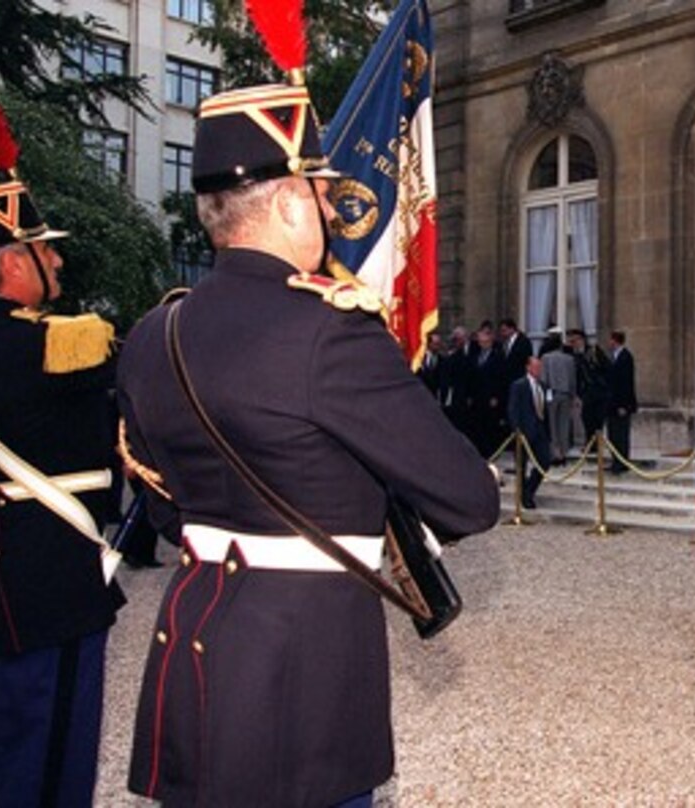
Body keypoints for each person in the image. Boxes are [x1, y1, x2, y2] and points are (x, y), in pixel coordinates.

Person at [116, 70, 500, 806]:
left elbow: (162, 503)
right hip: (306, 657)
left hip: (193, 637)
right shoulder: (329, 331)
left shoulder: (151, 333)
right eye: (321, 191)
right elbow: (469, 497)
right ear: (291, 200)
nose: (331, 206)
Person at [0, 106, 125, 807]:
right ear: (13, 262)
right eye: (46, 248)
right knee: (47, 759)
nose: (59, 259)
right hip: (47, 586)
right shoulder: (64, 346)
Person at [508, 355, 552, 509]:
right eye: (535, 367)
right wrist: (517, 430)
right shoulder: (519, 385)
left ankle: (529, 489)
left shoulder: (543, 386)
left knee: (545, 461)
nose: (538, 370)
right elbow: (513, 409)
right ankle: (524, 497)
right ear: (528, 367)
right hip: (525, 432)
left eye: (539, 367)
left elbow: (546, 410)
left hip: (540, 432)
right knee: (521, 465)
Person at [469, 320, 509, 458]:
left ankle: (491, 452)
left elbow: (501, 378)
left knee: (490, 426)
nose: (481, 343)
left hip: (491, 397)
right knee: (478, 425)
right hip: (478, 396)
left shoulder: (497, 356)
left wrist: (496, 396)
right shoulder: (476, 355)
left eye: (483, 340)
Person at [539, 329, 577, 464]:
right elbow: (573, 379)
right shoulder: (569, 359)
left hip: (552, 393)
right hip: (566, 394)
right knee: (564, 425)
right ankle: (564, 453)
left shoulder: (546, 358)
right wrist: (573, 395)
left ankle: (556, 453)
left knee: (553, 425)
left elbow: (543, 379)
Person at [567, 328, 609, 446]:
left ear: (581, 340)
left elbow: (605, 369)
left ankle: (596, 444)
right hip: (587, 392)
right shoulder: (576, 356)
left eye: (574, 341)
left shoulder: (593, 352)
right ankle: (590, 443)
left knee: (597, 419)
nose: (572, 345)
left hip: (599, 391)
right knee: (587, 418)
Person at [605, 330, 638, 473]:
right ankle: (615, 461)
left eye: (610, 340)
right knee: (613, 434)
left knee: (621, 434)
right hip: (612, 404)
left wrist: (624, 405)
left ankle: (622, 463)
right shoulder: (614, 357)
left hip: (621, 404)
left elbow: (626, 383)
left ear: (615, 341)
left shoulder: (626, 357)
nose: (609, 343)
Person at [499, 316, 533, 384]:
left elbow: (526, 360)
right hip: (505, 381)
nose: (502, 334)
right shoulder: (503, 343)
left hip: (518, 378)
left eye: (504, 331)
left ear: (512, 329)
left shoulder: (524, 342)